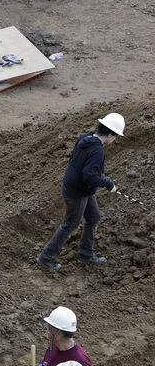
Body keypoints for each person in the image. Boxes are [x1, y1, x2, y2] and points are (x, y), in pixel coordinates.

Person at [38, 112, 124, 271]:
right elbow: (89, 176)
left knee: (93, 216)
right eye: (116, 136)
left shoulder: (86, 137)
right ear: (111, 134)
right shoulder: (98, 151)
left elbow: (79, 164)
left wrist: (97, 177)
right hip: (77, 191)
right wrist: (107, 183)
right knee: (70, 224)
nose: (115, 139)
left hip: (79, 186)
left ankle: (85, 255)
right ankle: (46, 257)